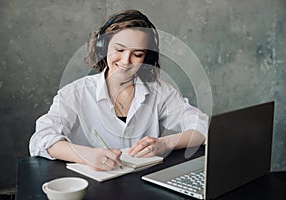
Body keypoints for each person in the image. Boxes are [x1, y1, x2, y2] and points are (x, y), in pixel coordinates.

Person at [29, 9, 209, 171]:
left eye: (137, 54)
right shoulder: (75, 93)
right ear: (103, 47)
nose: (126, 61)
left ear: (147, 56)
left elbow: (201, 126)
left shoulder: (160, 91)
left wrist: (165, 143)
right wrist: (86, 155)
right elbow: (41, 139)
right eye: (119, 50)